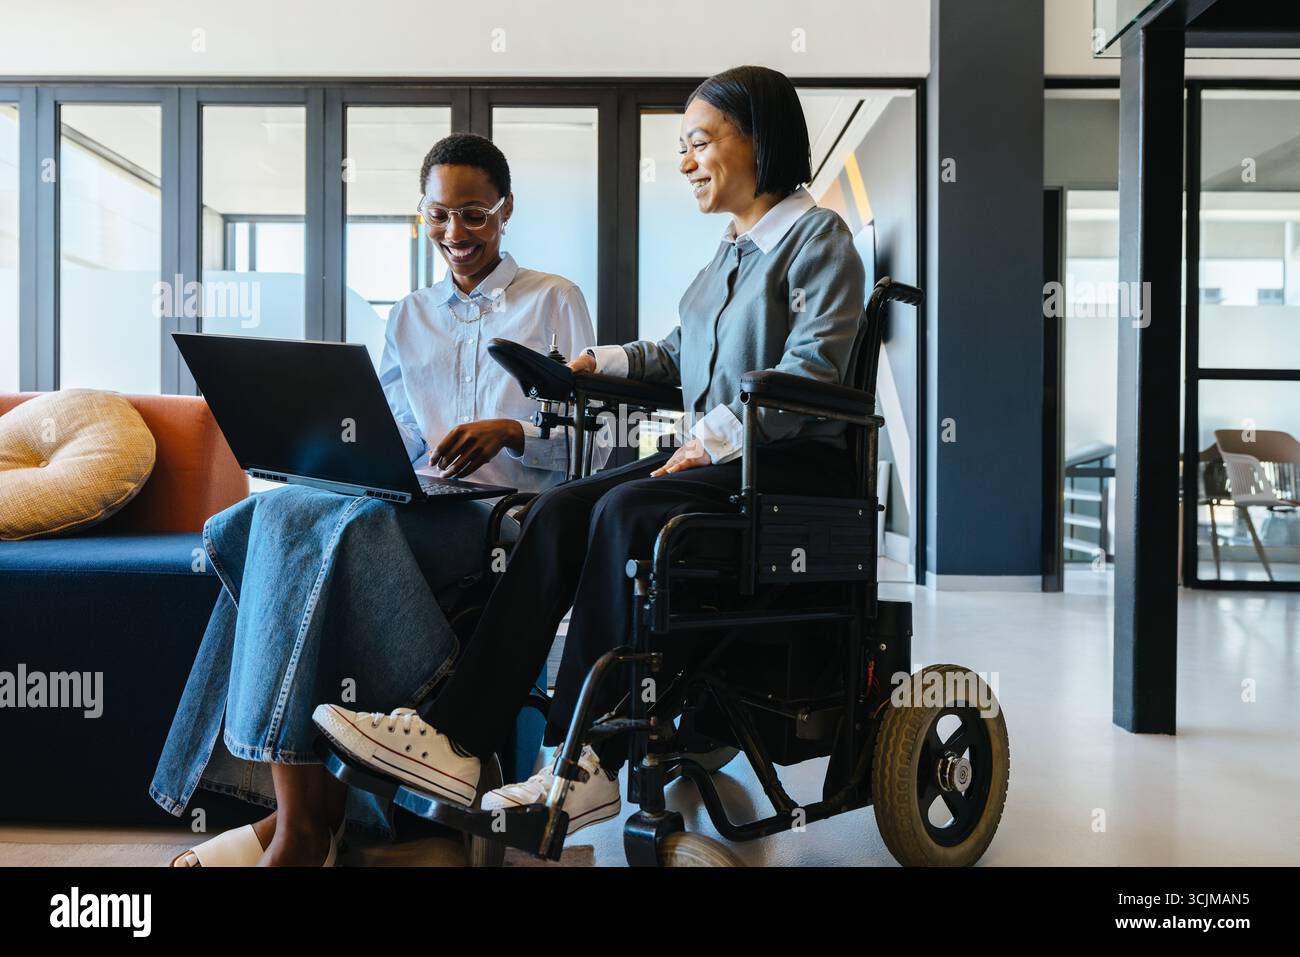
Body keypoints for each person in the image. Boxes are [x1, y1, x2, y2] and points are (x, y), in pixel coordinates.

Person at [315, 64, 867, 836]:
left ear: (760, 139)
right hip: (723, 459)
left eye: (699, 142)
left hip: (787, 465)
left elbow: (812, 367)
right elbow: (681, 351)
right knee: (560, 510)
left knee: (620, 507)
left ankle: (583, 764)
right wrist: (604, 362)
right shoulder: (728, 252)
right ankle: (457, 737)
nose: (684, 163)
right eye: (682, 147)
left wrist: (709, 437)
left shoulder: (816, 237)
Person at [150, 133, 601, 866]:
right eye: (438, 216)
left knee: (300, 530)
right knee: (272, 514)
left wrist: (511, 432)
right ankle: (310, 814)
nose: (455, 234)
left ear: (506, 210)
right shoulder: (409, 314)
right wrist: (343, 449)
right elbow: (383, 426)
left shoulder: (554, 299)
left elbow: (594, 440)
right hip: (411, 501)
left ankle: (301, 827)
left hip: (501, 518)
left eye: (474, 215)